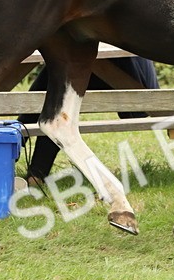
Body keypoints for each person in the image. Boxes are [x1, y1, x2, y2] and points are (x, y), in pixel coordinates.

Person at [19, 56, 159, 184]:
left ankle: (16, 151)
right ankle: (30, 168)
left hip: (129, 75)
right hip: (117, 68)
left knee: (58, 84)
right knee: (58, 78)